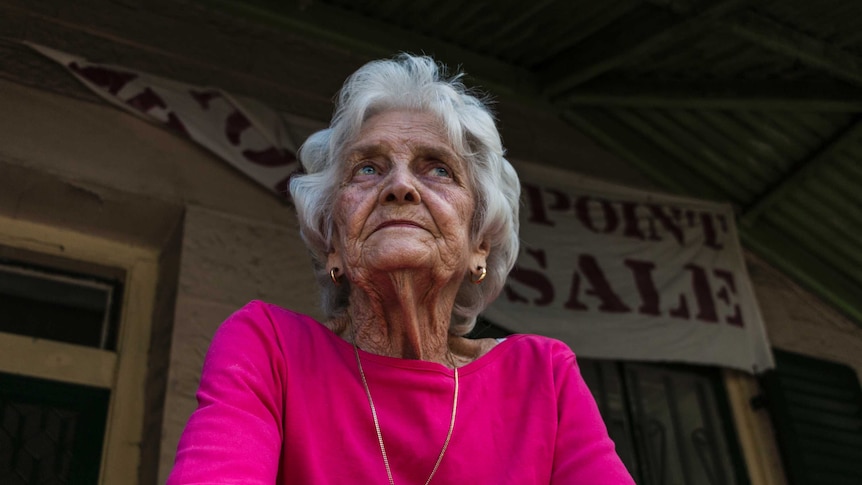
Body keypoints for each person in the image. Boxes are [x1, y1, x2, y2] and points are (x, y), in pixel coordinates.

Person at [167, 54, 635, 484]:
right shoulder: (270, 348)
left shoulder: (542, 379)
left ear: (479, 245)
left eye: (438, 170)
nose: (400, 186)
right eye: (368, 169)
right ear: (332, 241)